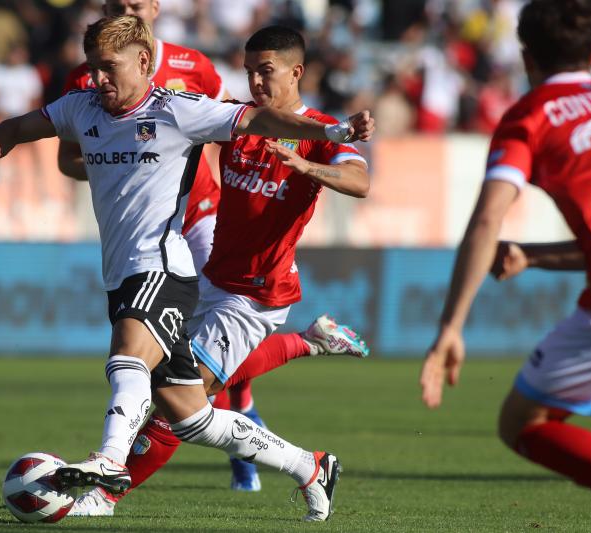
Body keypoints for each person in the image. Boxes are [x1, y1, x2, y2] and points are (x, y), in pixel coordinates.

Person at [0, 15, 373, 521]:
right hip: (194, 273)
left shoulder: (181, 111)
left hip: (210, 279)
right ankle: (309, 465)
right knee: (187, 415)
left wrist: (332, 134)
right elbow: (19, 127)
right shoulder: (81, 107)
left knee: (129, 358)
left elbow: (311, 151)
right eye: (93, 69)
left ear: (145, 62)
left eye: (109, 69)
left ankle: (107, 474)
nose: (98, 79)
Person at [59, 0, 367, 501]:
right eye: (249, 73)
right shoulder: (240, 128)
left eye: (266, 72)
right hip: (208, 276)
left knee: (177, 401)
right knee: (183, 402)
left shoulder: (315, 133)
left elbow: (359, 179)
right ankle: (309, 461)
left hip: (257, 292)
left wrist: (310, 169)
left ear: (297, 72)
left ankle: (102, 496)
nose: (256, 84)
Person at [421, 0, 591, 501]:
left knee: (524, 422)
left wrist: (451, 326)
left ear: (527, 59)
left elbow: (488, 218)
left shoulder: (530, 117)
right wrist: (534, 256)